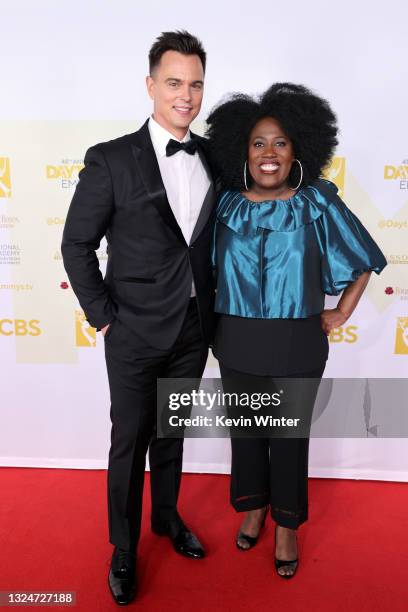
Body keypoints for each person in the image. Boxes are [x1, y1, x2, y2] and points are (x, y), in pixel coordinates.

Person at [206, 83, 387, 578]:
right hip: (237, 339)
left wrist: (342, 311)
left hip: (297, 342)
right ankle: (254, 507)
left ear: (298, 150)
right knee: (246, 434)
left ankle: (286, 526)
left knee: (288, 438)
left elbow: (365, 259)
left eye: (280, 143)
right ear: (241, 150)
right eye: (258, 143)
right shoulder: (222, 205)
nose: (269, 153)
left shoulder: (317, 203)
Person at [62, 30, 215, 605]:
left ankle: (167, 519)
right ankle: (124, 548)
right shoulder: (110, 158)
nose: (186, 95)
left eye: (196, 84)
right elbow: (77, 244)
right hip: (131, 330)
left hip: (194, 329)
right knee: (129, 440)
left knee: (171, 434)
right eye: (174, 82)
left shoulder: (212, 158)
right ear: (151, 86)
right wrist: (104, 316)